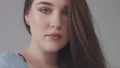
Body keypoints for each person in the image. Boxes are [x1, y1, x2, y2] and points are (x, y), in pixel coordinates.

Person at [0, 0, 107, 68]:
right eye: (45, 10)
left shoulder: (84, 64)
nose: (56, 23)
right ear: (27, 15)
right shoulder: (6, 64)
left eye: (66, 13)